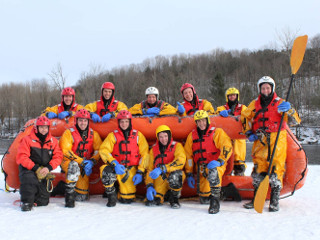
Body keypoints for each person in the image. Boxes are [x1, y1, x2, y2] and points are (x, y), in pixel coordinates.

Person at [241, 76, 301, 212]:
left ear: (272, 88)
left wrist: (290, 110)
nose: (265, 90)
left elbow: (295, 121)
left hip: (276, 139)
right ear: (260, 89)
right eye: (263, 88)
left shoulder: (281, 103)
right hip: (260, 139)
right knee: (258, 169)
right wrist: (249, 132)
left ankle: (274, 201)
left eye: (268, 87)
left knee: (276, 169)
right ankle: (257, 198)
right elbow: (245, 117)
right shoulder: (254, 104)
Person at [184, 110, 233, 214]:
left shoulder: (217, 132)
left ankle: (215, 202)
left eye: (203, 121)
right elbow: (188, 156)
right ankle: (226, 191)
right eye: (199, 122)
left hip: (216, 164)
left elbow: (227, 146)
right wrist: (189, 172)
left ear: (207, 121)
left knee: (214, 172)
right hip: (202, 168)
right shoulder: (192, 136)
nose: (201, 124)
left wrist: (220, 160)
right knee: (204, 198)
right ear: (196, 123)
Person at [99, 110, 149, 207]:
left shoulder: (138, 135)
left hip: (131, 169)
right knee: (106, 171)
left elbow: (145, 154)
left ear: (130, 122)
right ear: (118, 123)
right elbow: (103, 150)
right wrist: (115, 163)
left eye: (126, 121)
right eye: (122, 121)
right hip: (117, 167)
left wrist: (140, 171)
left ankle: (118, 188)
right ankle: (111, 193)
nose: (124, 124)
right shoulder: (112, 135)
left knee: (126, 199)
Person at [16, 116, 63, 211]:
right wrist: (36, 168)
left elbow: (58, 157)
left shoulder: (53, 141)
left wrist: (48, 168)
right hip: (29, 168)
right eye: (41, 127)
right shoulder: (27, 140)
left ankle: (39, 197)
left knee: (43, 201)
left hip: (44, 169)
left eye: (46, 127)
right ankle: (26, 202)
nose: (44, 129)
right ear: (36, 128)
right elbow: (22, 157)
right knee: (29, 179)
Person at [59, 109, 102, 207]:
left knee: (82, 197)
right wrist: (80, 161)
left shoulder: (93, 134)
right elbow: (65, 151)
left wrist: (92, 161)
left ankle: (61, 187)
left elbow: (98, 150)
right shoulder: (68, 133)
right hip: (70, 162)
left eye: (85, 120)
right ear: (76, 121)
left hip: (85, 164)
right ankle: (69, 197)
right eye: (81, 120)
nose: (83, 123)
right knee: (73, 166)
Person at [145, 125, 186, 209]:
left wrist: (163, 168)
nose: (163, 139)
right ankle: (162, 196)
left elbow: (180, 161)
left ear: (169, 136)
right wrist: (149, 185)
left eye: (165, 136)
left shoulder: (177, 146)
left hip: (174, 174)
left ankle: (174, 198)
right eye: (161, 137)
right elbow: (149, 169)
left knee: (176, 176)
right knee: (153, 200)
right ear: (158, 138)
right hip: (160, 178)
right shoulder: (153, 150)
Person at [216, 87, 247, 176]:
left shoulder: (243, 108)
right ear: (227, 97)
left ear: (237, 96)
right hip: (226, 138)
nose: (232, 97)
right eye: (230, 96)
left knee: (239, 167)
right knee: (226, 165)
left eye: (234, 95)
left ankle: (240, 183)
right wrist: (220, 114)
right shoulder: (221, 108)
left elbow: (248, 116)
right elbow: (213, 117)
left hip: (239, 139)